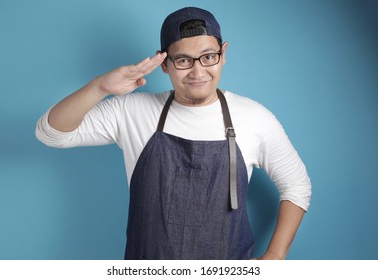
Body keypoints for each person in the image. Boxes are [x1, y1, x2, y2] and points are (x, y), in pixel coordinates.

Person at [36, 7, 311, 260]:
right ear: (164, 63)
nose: (198, 71)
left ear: (222, 54)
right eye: (183, 60)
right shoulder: (132, 111)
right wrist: (99, 88)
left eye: (208, 57)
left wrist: (275, 257)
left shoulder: (255, 118)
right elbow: (51, 133)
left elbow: (297, 186)